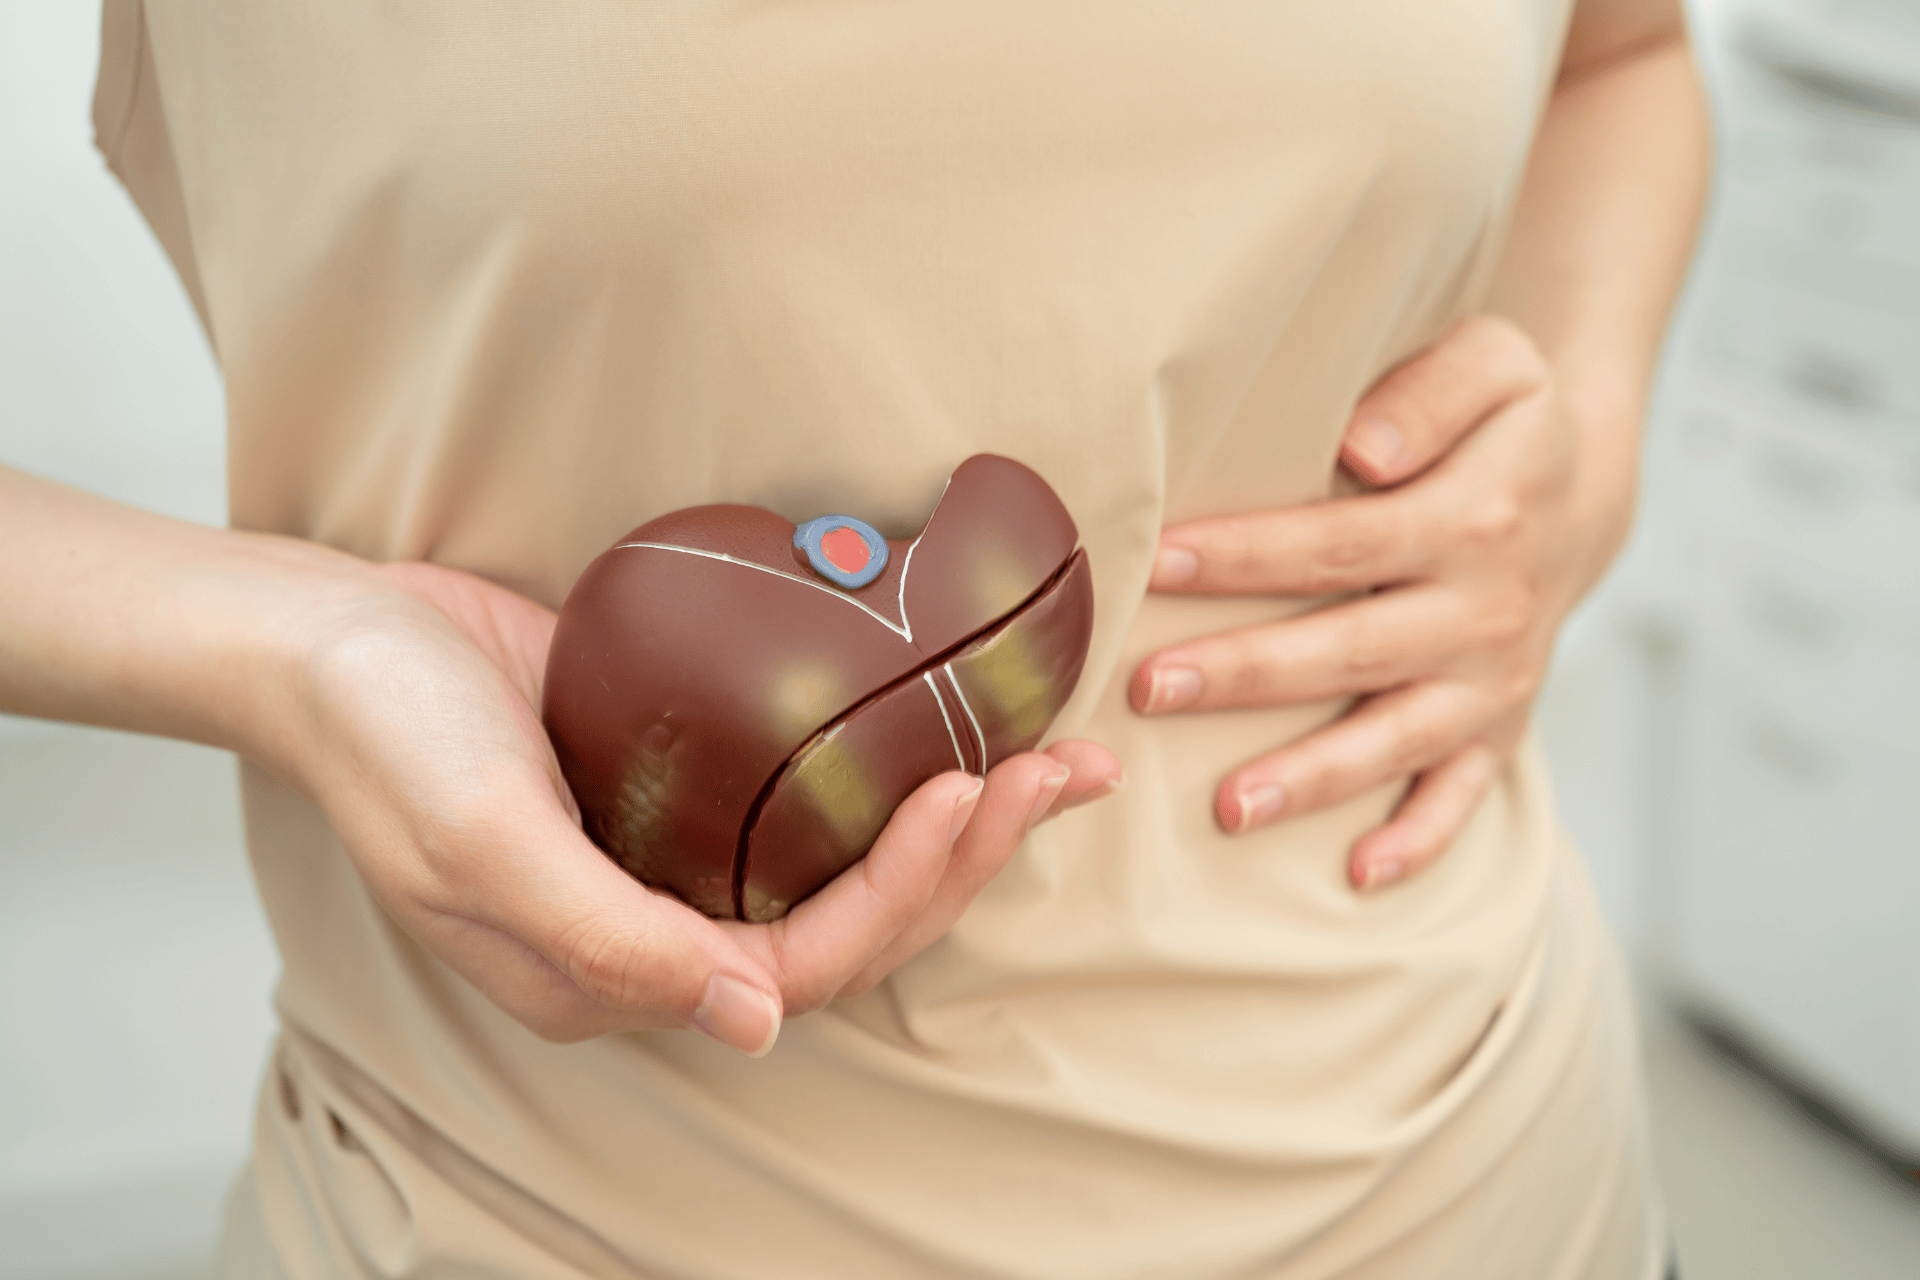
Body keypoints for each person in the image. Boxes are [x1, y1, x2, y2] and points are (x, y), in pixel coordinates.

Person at [2, 0, 1706, 1274]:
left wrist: (1588, 437)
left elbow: (1620, 61)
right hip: (548, 1222)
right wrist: (302, 648)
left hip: (1495, 1178)